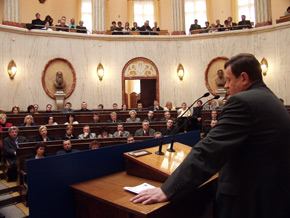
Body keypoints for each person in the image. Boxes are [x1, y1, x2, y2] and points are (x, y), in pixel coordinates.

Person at [130, 53, 290, 218]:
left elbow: (209, 151)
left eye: (229, 79)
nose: (226, 86)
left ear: (244, 78)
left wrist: (168, 190)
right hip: (272, 197)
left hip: (248, 202)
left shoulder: (242, 102)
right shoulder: (271, 99)